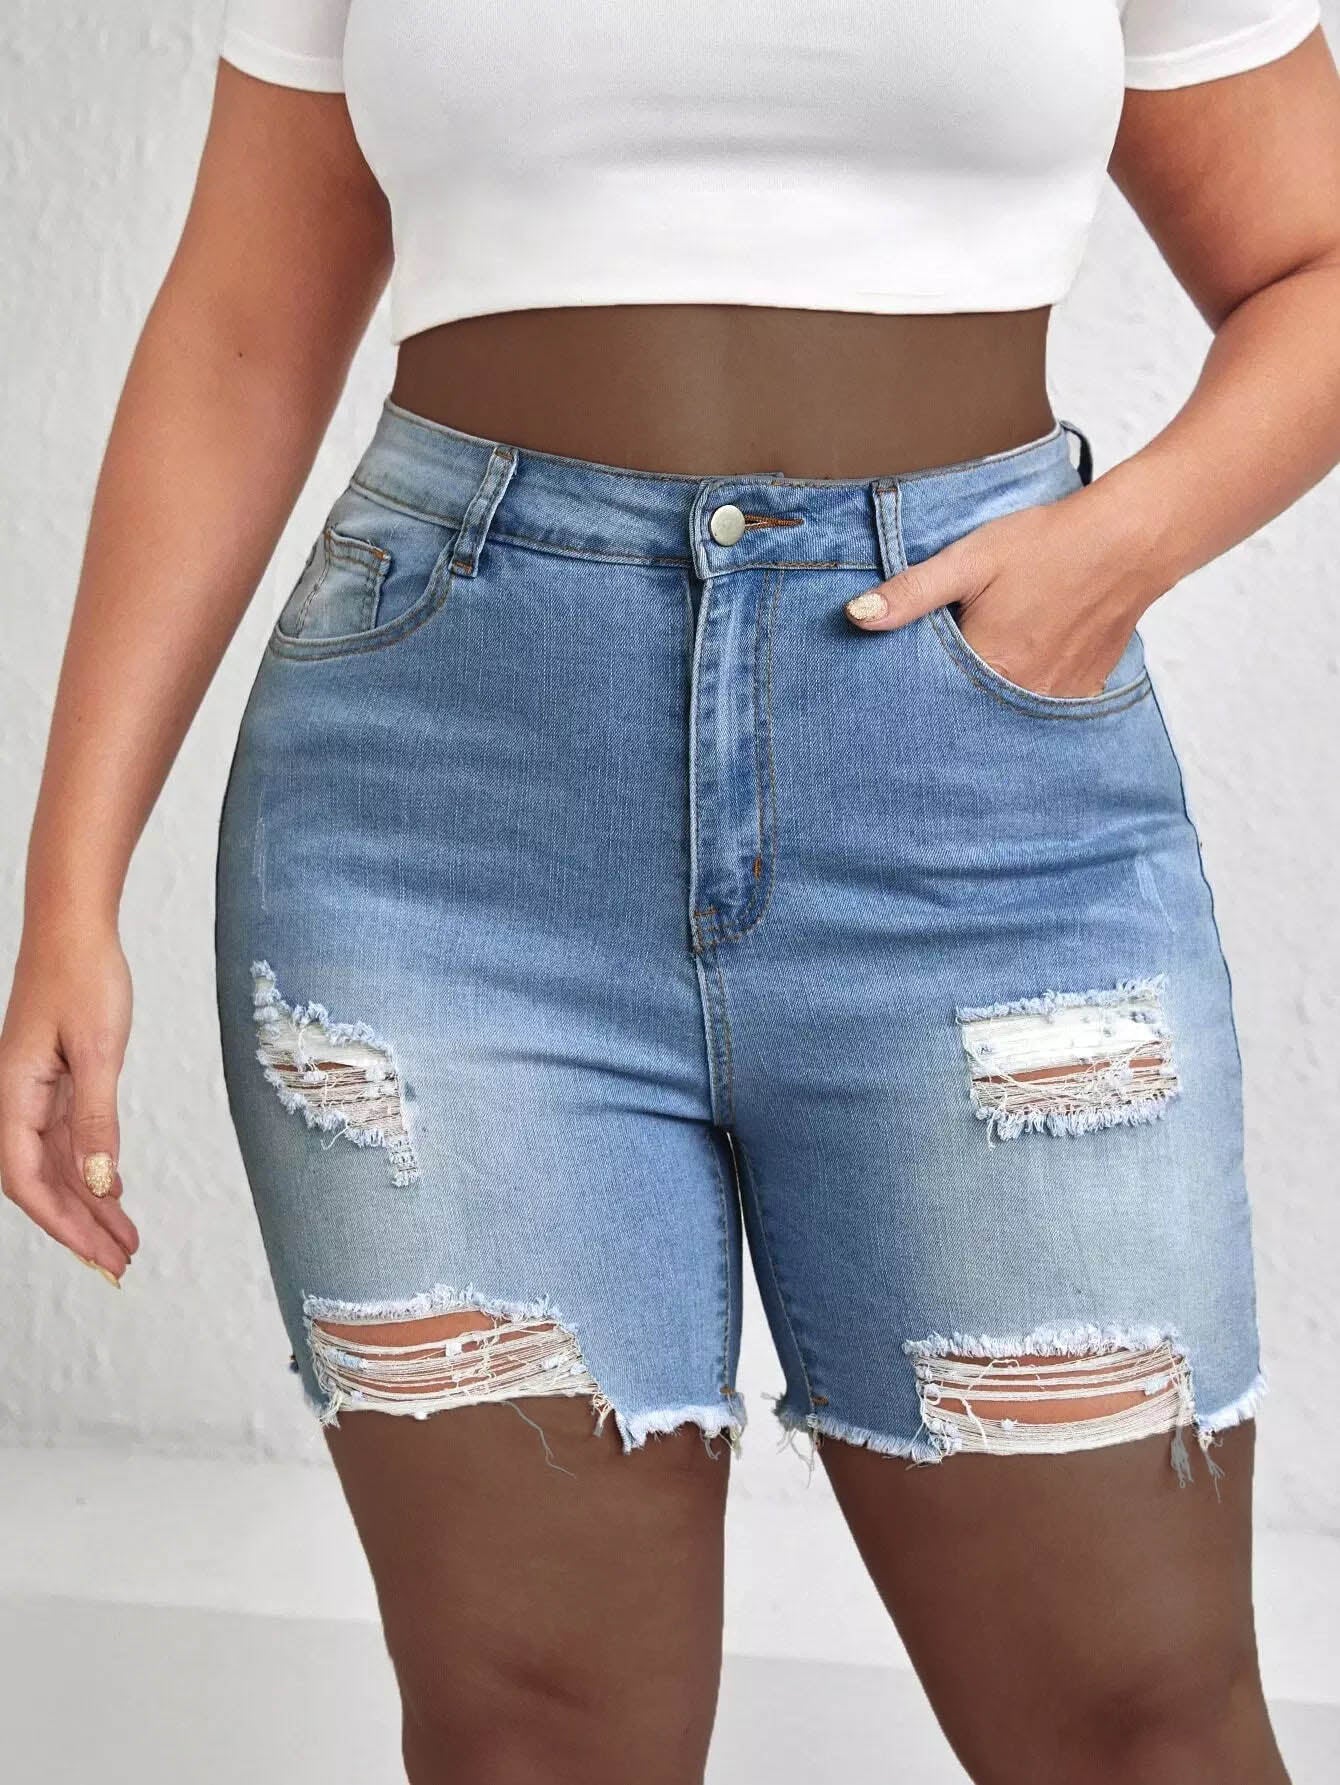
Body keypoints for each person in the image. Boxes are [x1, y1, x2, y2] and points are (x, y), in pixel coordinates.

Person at [3, 3, 1338, 1780]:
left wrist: (1117, 547)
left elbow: (1316, 260)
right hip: (444, 821)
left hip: (977, 815)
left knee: (1138, 1720)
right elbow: (245, 323)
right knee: (532, 1734)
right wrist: (69, 885)